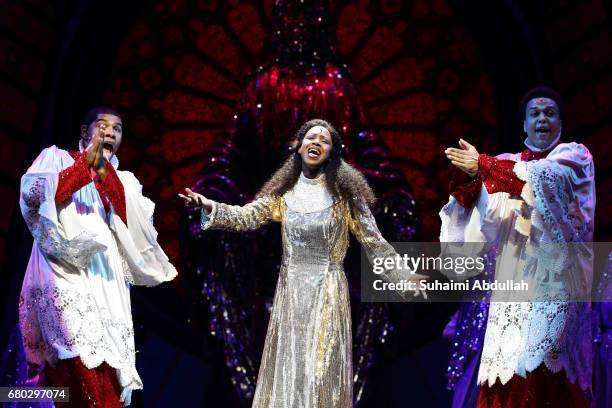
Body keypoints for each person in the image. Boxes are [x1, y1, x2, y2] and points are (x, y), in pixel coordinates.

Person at [180, 119, 424, 408]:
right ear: (297, 146)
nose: (317, 142)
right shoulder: (284, 195)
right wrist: (209, 206)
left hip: (328, 292)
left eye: (325, 140)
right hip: (292, 295)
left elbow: (374, 242)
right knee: (290, 376)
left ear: (333, 153)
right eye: (311, 137)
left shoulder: (346, 196)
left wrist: (404, 277)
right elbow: (246, 217)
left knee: (321, 375)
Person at [440, 87, 595, 407]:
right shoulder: (502, 163)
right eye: (535, 114)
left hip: (556, 291)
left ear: (561, 123)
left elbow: (544, 180)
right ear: (523, 125)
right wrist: (466, 184)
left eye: (549, 113)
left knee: (548, 381)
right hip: (511, 295)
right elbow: (484, 222)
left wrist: (482, 167)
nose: (542, 118)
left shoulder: (575, 157)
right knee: (507, 380)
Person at [19, 107, 177, 407]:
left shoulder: (126, 182)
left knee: (106, 373)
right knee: (71, 360)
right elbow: (34, 198)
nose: (110, 132)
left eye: (117, 129)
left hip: (106, 283)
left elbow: (139, 233)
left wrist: (105, 177)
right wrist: (83, 169)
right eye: (102, 125)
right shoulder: (56, 158)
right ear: (84, 131)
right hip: (63, 274)